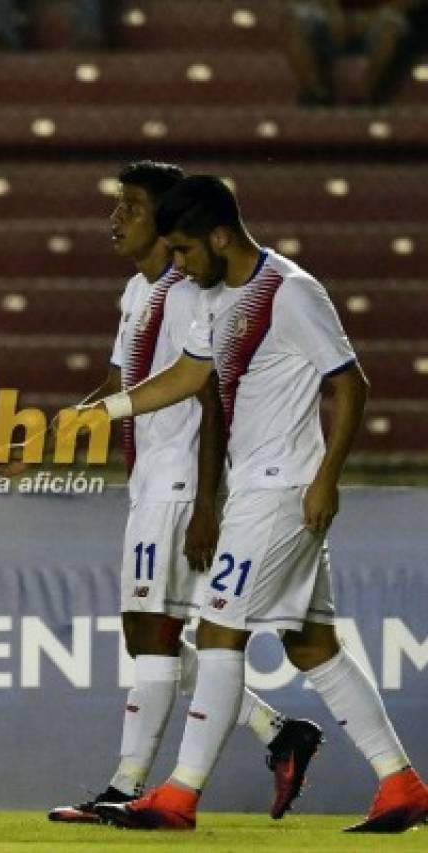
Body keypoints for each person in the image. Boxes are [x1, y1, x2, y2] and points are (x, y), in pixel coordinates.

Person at [86, 175, 428, 833]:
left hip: (282, 492)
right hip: (259, 489)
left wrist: (328, 477)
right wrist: (108, 409)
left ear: (220, 235)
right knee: (312, 643)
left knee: (218, 630)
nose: (179, 266)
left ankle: (180, 794)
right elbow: (191, 375)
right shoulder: (217, 297)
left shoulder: (290, 292)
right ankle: (403, 782)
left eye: (185, 250)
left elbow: (350, 383)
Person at [0, 162, 322, 823]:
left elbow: (208, 395)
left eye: (132, 208)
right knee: (154, 631)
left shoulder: (192, 293)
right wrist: (54, 440)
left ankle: (124, 785)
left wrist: (207, 499)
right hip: (149, 481)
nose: (116, 219)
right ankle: (276, 729)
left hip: (177, 485)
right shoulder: (140, 295)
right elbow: (119, 386)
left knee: (151, 633)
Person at [283, 0, 427, 106]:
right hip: (334, 17)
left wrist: (371, 17)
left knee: (390, 29)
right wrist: (334, 13)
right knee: (294, 21)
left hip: (383, 16)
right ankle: (316, 94)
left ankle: (369, 98)